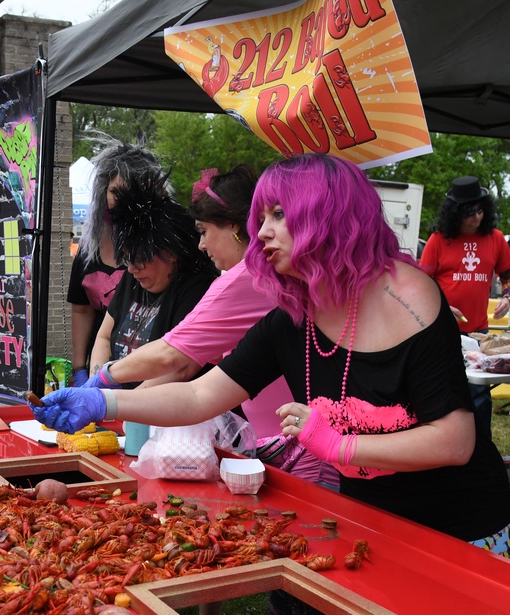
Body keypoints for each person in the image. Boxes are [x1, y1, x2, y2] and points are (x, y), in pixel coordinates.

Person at [35, 154, 510, 554]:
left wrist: (341, 446)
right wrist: (104, 402)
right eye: (261, 217)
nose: (262, 231)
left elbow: (454, 441)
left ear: (329, 215)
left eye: (279, 215)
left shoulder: (409, 297)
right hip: (375, 521)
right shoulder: (293, 314)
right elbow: (201, 395)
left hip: (463, 530)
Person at [85, 166, 325, 484]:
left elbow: (173, 356)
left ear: (235, 227)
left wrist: (105, 380)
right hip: (285, 442)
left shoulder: (250, 277)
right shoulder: (262, 276)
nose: (201, 244)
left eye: (204, 230)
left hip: (301, 449)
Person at [88, 168, 218, 384]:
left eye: (140, 260)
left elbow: (179, 368)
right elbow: (103, 335)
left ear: (170, 253)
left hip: (161, 407)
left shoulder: (198, 288)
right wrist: (96, 383)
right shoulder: (132, 277)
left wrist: (116, 406)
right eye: (127, 259)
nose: (131, 269)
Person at [420, 175, 510, 432]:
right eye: (470, 212)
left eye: (481, 210)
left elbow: (507, 274)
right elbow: (421, 283)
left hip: (478, 332)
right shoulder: (438, 239)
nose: (477, 217)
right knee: (443, 390)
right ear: (456, 212)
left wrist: (507, 295)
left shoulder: (496, 238)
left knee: (479, 393)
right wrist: (442, 306)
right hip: (441, 329)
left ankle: (481, 446)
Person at [66, 136, 151, 385]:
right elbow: (82, 309)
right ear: (103, 192)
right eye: (116, 192)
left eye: (131, 192)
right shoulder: (89, 246)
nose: (122, 201)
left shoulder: (161, 251)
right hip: (97, 365)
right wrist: (79, 369)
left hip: (145, 371)